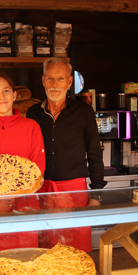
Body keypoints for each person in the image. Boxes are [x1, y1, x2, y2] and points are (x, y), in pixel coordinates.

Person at [26, 57, 107, 252]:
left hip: (75, 194)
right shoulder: (32, 113)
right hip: (42, 191)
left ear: (69, 82)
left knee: (76, 251)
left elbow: (95, 154)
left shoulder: (84, 112)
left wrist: (96, 194)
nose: (55, 85)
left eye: (60, 79)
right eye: (50, 79)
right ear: (43, 81)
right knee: (45, 251)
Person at [0, 72, 46, 254]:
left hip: (24, 208)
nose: (1, 96)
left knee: (24, 262)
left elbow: (38, 168)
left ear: (14, 96)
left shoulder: (31, 127)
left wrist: (15, 192)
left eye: (6, 91)